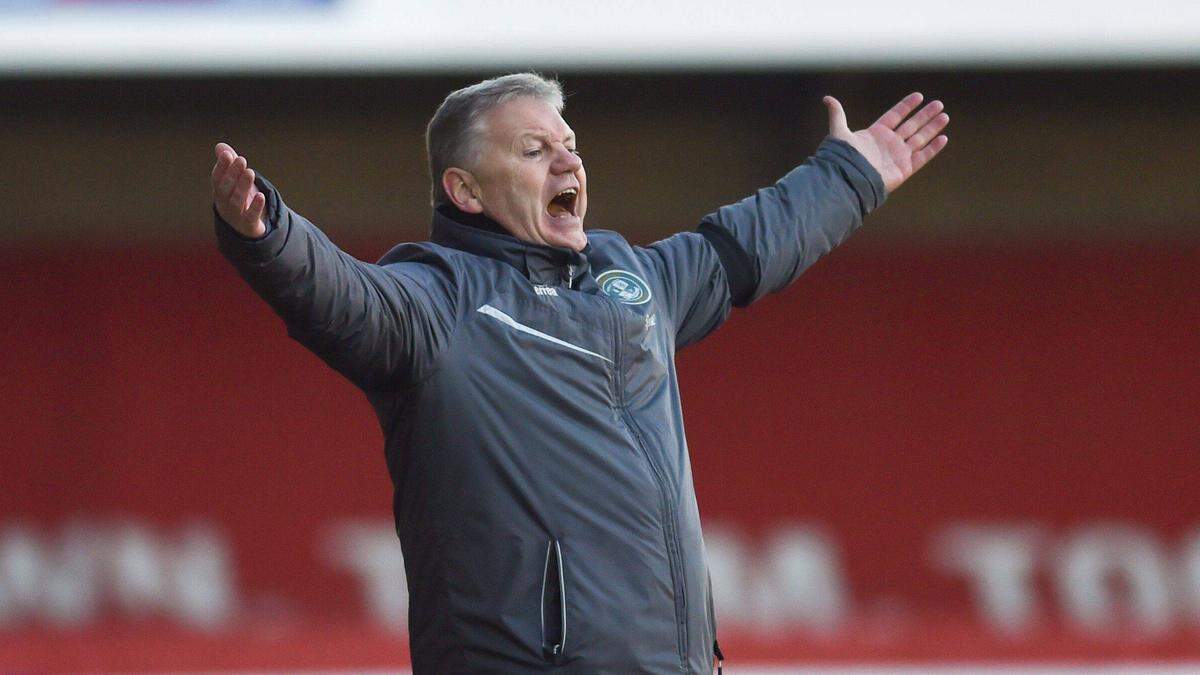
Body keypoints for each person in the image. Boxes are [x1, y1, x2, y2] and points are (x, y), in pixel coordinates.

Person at [211, 73, 948, 674]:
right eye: (535, 151)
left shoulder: (631, 279)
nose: (568, 163)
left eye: (570, 145)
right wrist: (267, 232)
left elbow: (744, 249)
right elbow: (339, 294)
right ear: (466, 191)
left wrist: (850, 175)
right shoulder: (437, 300)